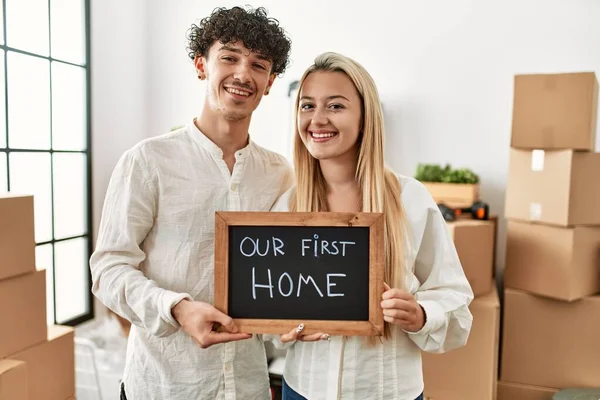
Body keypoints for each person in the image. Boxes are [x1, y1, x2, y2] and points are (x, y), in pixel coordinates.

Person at [89, 6, 294, 399]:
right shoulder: (147, 161)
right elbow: (108, 269)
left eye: (258, 65)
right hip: (165, 386)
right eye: (229, 57)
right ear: (201, 65)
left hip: (248, 386)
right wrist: (178, 309)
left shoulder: (280, 173)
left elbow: (281, 275)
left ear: (269, 82)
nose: (242, 74)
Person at [266, 52, 474, 400]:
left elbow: (454, 298)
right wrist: (282, 328)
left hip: (387, 392)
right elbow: (270, 305)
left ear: (365, 118)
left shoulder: (411, 199)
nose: (317, 119)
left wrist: (421, 314)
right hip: (302, 389)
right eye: (307, 106)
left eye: (335, 106)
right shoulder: (287, 205)